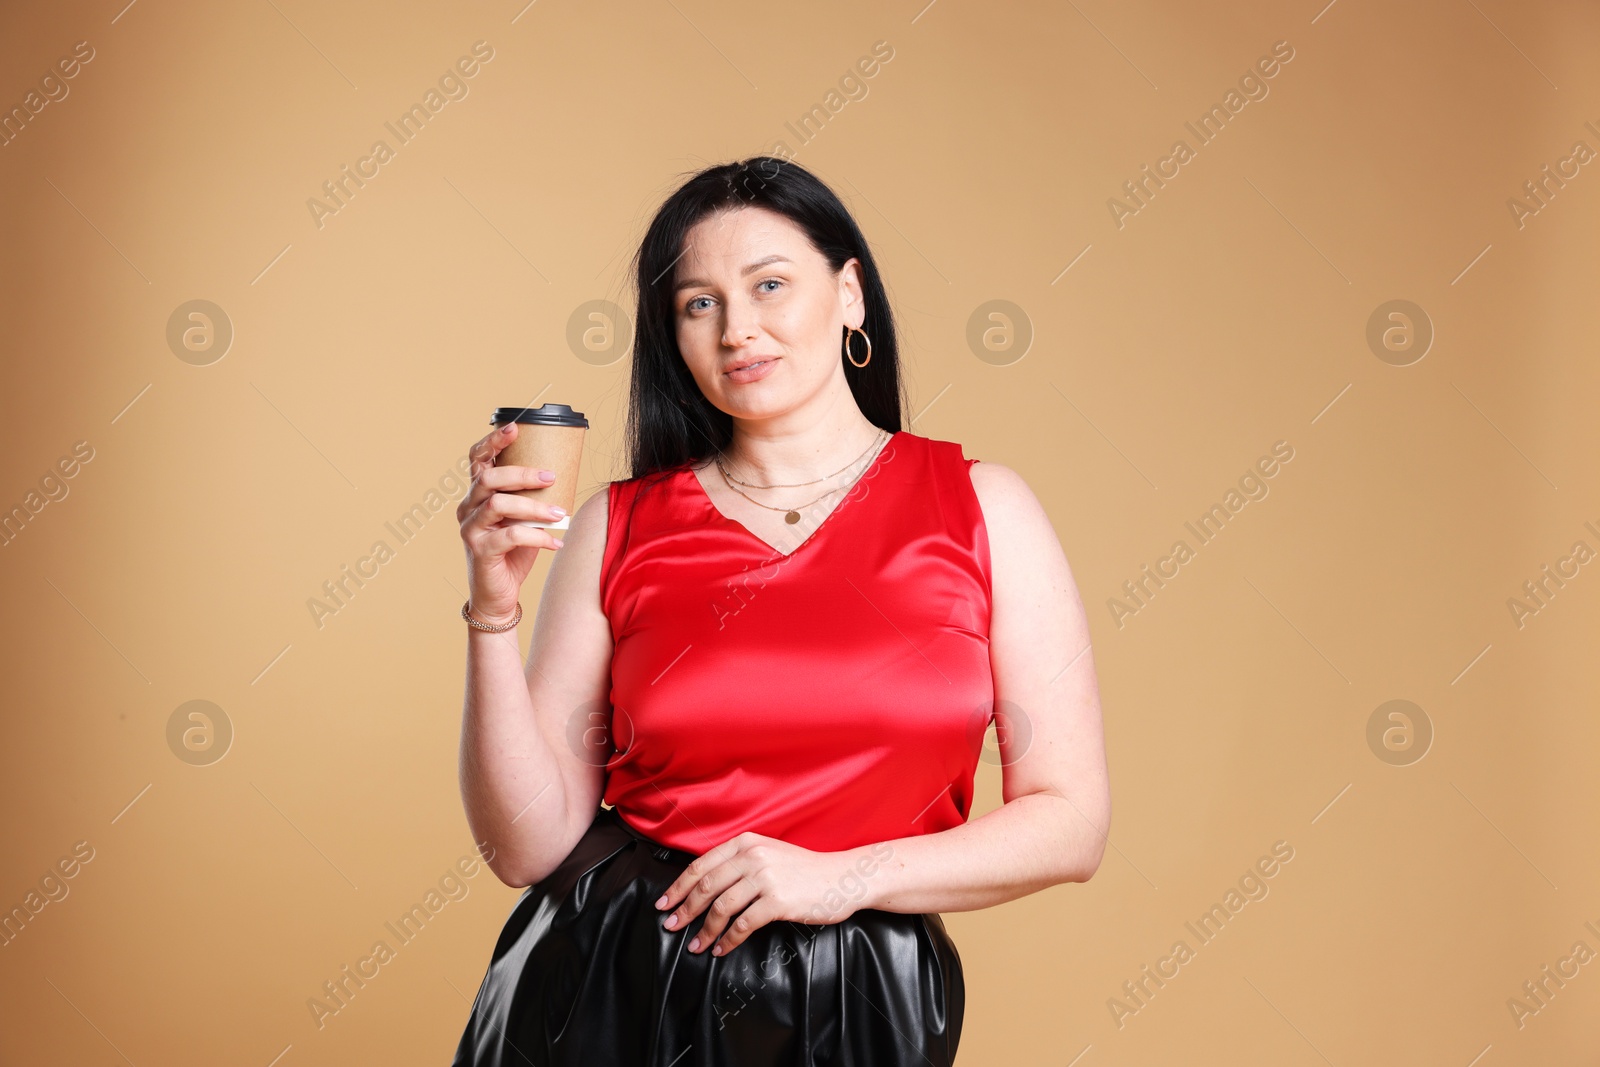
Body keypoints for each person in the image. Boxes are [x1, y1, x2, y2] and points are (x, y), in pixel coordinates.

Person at [450, 157, 1109, 1066]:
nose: (738, 329)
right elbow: (525, 847)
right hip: (611, 987)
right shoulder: (618, 522)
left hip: (860, 998)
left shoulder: (983, 507)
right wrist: (493, 607)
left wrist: (842, 877)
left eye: (769, 285)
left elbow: (1072, 821)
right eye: (699, 303)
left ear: (849, 294)